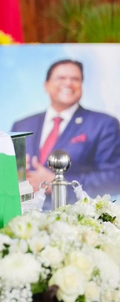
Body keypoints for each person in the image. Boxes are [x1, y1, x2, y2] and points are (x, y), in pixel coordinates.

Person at [12, 59, 120, 201]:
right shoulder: (22, 126)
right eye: (61, 78)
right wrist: (17, 173)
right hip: (22, 215)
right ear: (46, 85)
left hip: (74, 218)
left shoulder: (104, 124)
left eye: (75, 79)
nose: (68, 83)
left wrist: (59, 183)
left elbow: (114, 177)